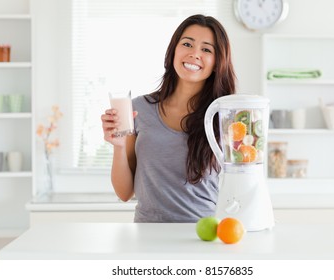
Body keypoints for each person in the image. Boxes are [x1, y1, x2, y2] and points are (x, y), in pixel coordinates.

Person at [101, 14, 236, 222]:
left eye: (206, 49)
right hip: (147, 236)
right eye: (187, 44)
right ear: (174, 50)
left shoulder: (223, 117)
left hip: (202, 235)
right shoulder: (138, 109)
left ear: (217, 63)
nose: (194, 54)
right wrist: (118, 147)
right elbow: (124, 193)